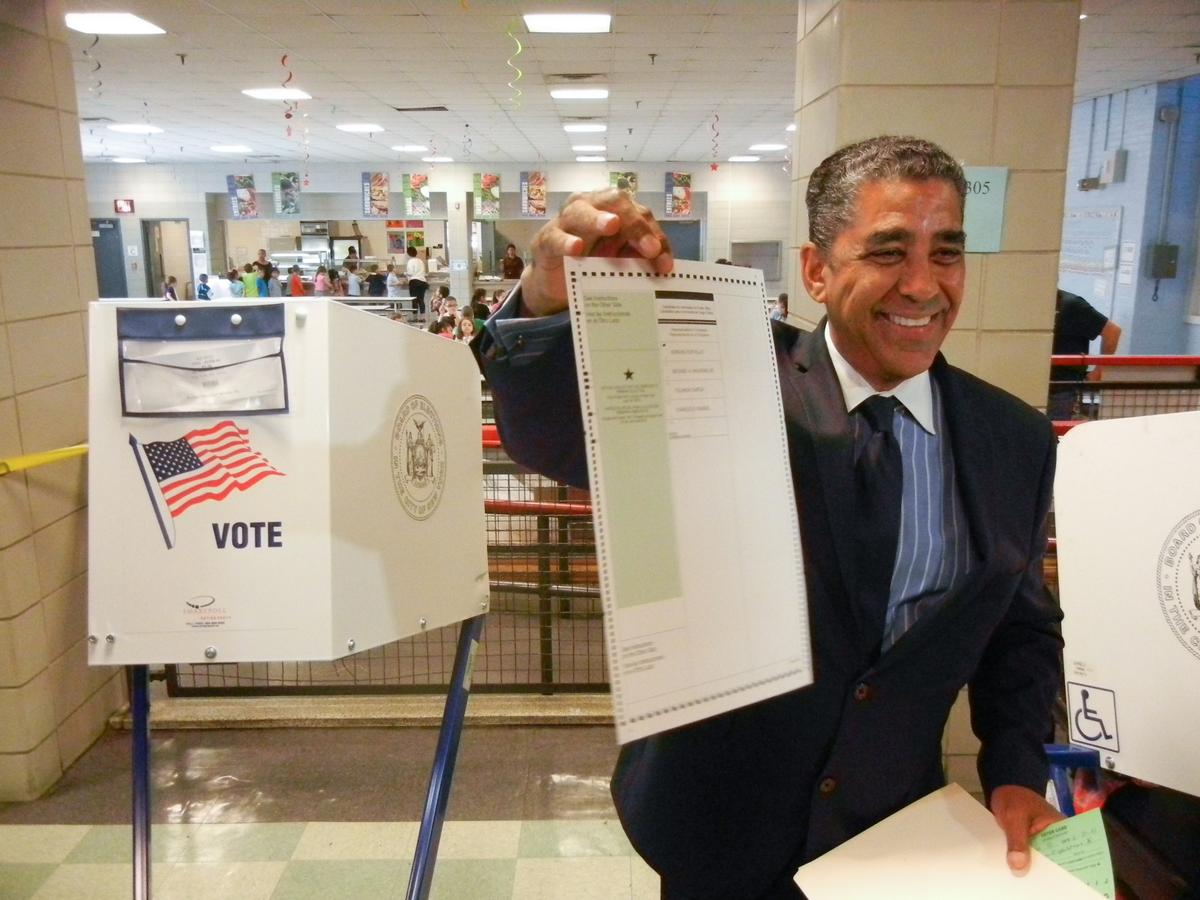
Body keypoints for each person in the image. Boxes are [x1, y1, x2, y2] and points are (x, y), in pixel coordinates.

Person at [472, 135, 1064, 900]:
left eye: (945, 254)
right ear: (816, 270)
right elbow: (551, 435)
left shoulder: (1012, 441)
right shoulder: (724, 380)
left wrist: (1016, 770)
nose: (923, 285)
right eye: (888, 252)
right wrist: (546, 299)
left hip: (893, 830)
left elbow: (1019, 628)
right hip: (723, 828)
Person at [1047, 289, 1122, 420]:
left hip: (1063, 387)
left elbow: (1112, 332)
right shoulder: (1041, 304)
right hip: (1048, 383)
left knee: (1056, 425)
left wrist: (1099, 371)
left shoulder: (1071, 305)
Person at [405, 245, 428, 315]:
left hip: (414, 282)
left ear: (408, 254)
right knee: (421, 300)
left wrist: (405, 273)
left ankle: (415, 317)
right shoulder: (420, 261)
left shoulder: (410, 261)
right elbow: (424, 272)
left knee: (414, 300)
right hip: (423, 282)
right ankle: (423, 316)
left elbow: (411, 273)